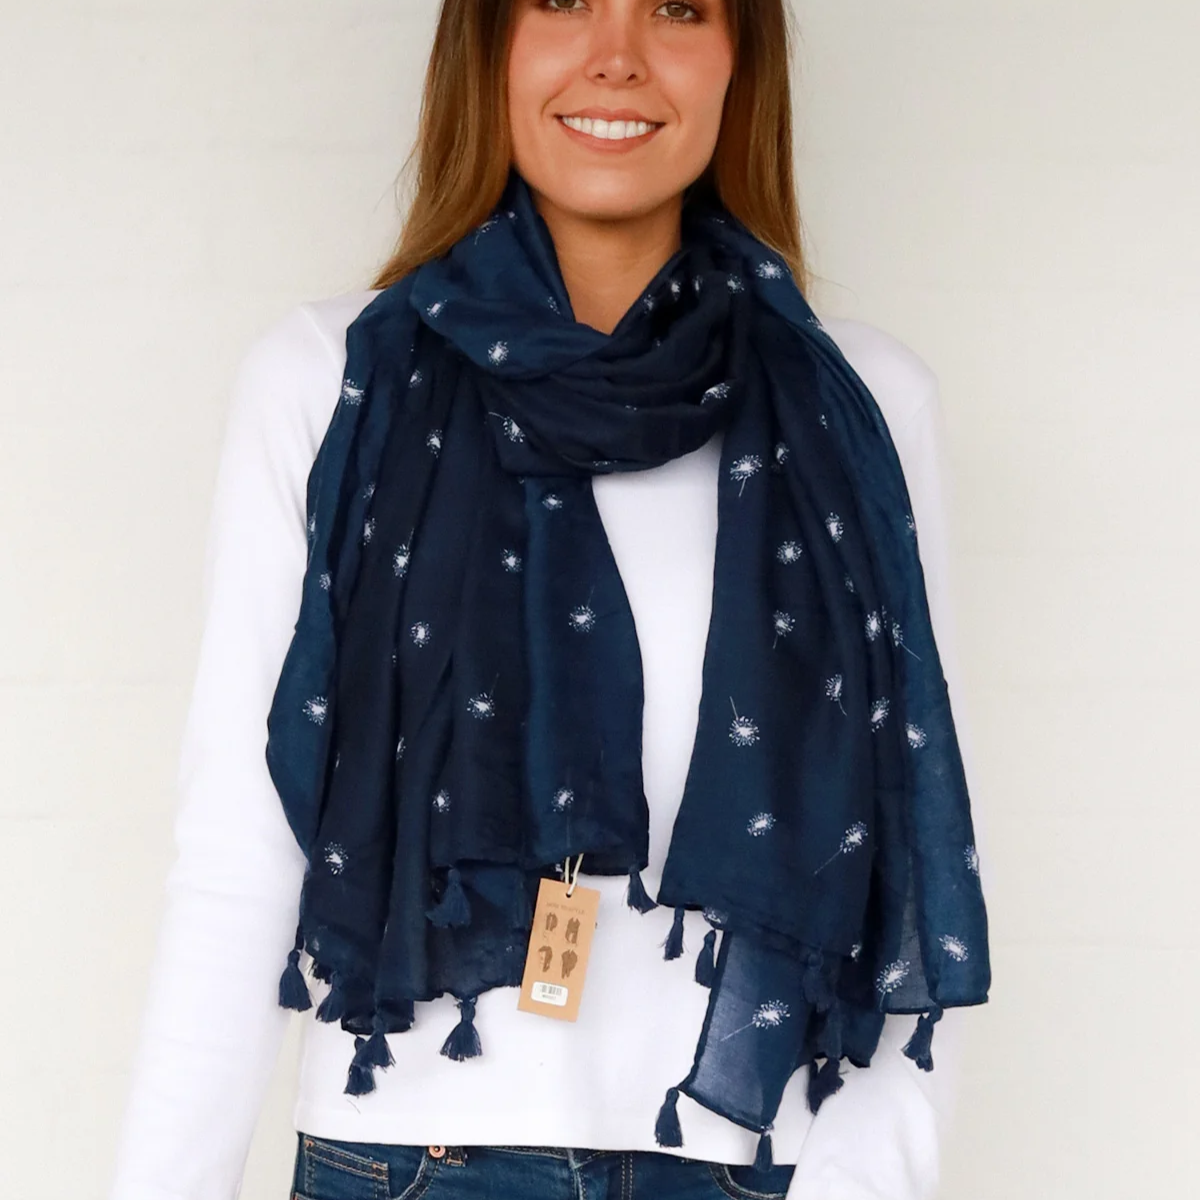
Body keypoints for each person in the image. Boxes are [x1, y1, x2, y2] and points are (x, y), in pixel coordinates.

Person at [110, 1, 990, 1198]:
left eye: (679, 7)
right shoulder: (330, 388)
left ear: (743, 61)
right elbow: (240, 856)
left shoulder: (862, 408)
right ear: (488, 48)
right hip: (411, 1163)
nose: (617, 53)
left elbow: (906, 860)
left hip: (750, 1166)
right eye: (563, 1)